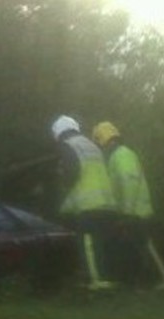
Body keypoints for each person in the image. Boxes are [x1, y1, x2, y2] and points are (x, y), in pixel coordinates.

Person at [92, 121, 164, 289]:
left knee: (145, 246)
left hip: (135, 212)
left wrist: (126, 213)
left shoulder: (121, 155)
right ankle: (144, 283)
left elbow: (129, 182)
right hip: (131, 211)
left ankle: (163, 280)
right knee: (137, 247)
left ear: (103, 140)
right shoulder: (119, 155)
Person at [51, 115, 117, 291]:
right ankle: (104, 278)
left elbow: (72, 173)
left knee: (87, 242)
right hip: (105, 200)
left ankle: (96, 282)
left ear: (58, 133)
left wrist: (63, 185)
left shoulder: (68, 145)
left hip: (88, 203)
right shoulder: (91, 144)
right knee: (99, 242)